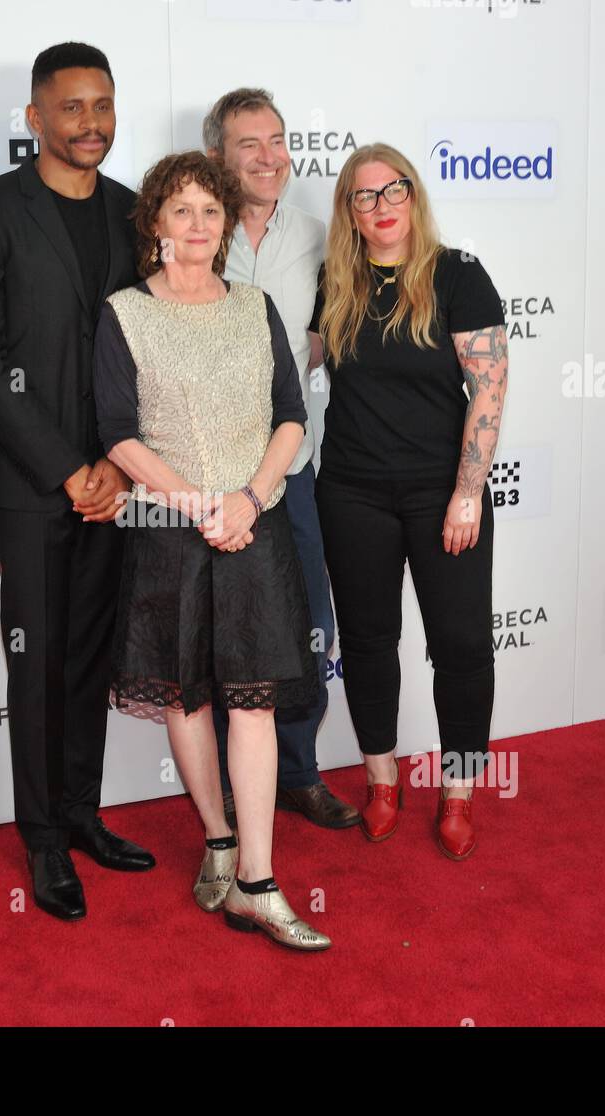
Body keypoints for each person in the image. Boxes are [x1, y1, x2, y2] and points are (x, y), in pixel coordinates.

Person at [94, 151, 330, 951]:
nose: (197, 226)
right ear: (155, 223)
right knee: (186, 694)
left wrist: (251, 498)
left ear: (227, 223)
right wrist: (198, 504)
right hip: (171, 530)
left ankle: (258, 883)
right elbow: (118, 434)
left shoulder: (257, 305)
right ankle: (219, 839)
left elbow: (291, 413)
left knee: (254, 699)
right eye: (181, 210)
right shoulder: (125, 311)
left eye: (209, 211)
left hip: (251, 525)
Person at [0, 42, 154, 923]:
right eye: (72, 108)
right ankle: (39, 836)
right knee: (37, 661)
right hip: (36, 484)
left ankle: (81, 813)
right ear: (34, 120)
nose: (92, 123)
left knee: (91, 655)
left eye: (103, 105)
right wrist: (66, 466)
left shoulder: (133, 209)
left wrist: (115, 459)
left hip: (117, 476)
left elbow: (149, 341)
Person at [311, 143, 509, 857]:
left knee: (460, 646)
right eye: (365, 196)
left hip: (442, 492)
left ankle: (458, 792)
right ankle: (381, 779)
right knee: (368, 644)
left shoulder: (458, 274)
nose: (383, 205)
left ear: (414, 195)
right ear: (350, 212)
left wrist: (467, 493)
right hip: (351, 490)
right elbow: (280, 364)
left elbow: (489, 388)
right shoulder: (335, 281)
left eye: (394, 189)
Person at [204, 88, 359, 832]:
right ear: (215, 158)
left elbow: (333, 339)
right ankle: (227, 793)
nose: (269, 159)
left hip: (294, 470)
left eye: (277, 142)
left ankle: (296, 772)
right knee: (219, 630)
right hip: (206, 478)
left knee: (305, 625)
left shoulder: (322, 235)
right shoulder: (191, 232)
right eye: (248, 145)